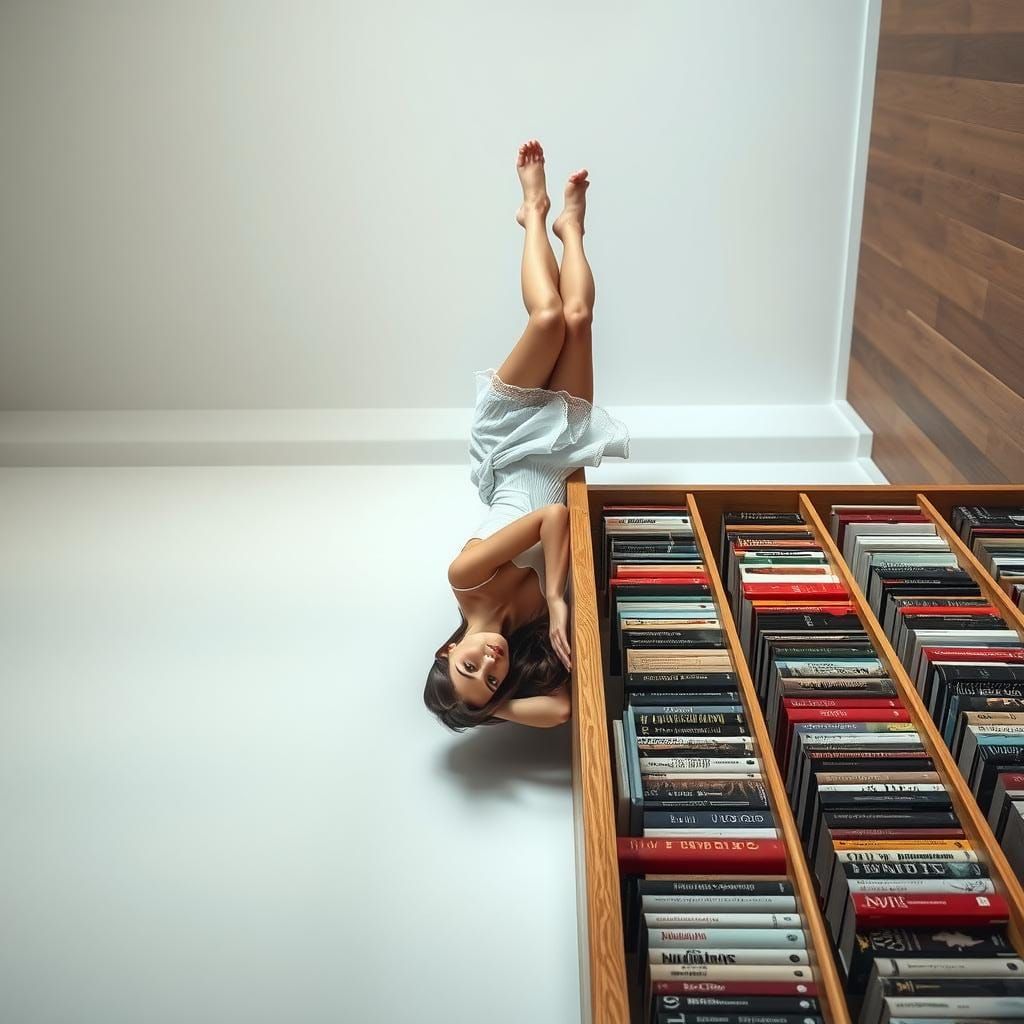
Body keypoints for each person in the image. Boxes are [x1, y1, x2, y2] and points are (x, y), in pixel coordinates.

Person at [423, 139, 630, 731]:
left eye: (469, 667)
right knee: (578, 320)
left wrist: (558, 598)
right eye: (491, 680)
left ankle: (534, 211)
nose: (490, 664)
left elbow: (551, 520)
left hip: (511, 442)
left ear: (448, 650)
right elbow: (561, 709)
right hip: (559, 456)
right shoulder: (529, 634)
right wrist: (492, 708)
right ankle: (572, 230)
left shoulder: (465, 578)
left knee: (547, 319)